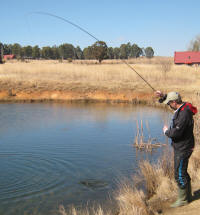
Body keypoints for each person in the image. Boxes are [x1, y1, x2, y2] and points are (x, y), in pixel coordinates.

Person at [156, 91, 197, 207]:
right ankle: (187, 196)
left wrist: (166, 131)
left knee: (178, 174)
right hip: (184, 145)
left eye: (169, 103)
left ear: (174, 102)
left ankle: (183, 199)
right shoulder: (183, 107)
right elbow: (170, 101)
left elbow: (176, 133)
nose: (168, 105)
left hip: (183, 148)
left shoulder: (184, 114)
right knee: (182, 171)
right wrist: (163, 96)